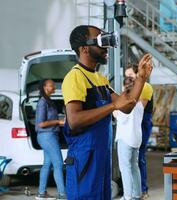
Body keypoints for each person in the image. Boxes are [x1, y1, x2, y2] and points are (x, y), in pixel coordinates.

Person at [61, 25, 152, 200]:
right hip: (84, 159)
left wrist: (141, 78)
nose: (106, 47)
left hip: (101, 157)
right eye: (101, 42)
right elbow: (74, 120)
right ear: (84, 48)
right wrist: (111, 107)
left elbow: (126, 106)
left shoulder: (99, 78)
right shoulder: (75, 77)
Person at [113, 77, 150, 200]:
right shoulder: (139, 103)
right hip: (136, 139)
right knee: (134, 166)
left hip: (125, 139)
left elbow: (121, 118)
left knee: (125, 168)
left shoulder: (125, 103)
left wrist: (114, 111)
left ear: (124, 88)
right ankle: (136, 194)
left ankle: (127, 196)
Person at [125, 64, 153, 199]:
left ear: (138, 74)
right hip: (133, 124)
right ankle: (134, 190)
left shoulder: (145, 87)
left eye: (130, 75)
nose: (128, 78)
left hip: (142, 123)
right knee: (131, 160)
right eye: (126, 76)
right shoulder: (132, 88)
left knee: (139, 158)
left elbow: (139, 108)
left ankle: (142, 190)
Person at [35, 79, 66, 200]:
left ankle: (41, 193)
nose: (53, 86)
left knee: (47, 164)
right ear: (44, 87)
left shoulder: (49, 101)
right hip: (47, 136)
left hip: (48, 136)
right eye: (51, 85)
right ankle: (63, 194)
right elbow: (41, 123)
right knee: (58, 163)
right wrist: (58, 121)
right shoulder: (43, 102)